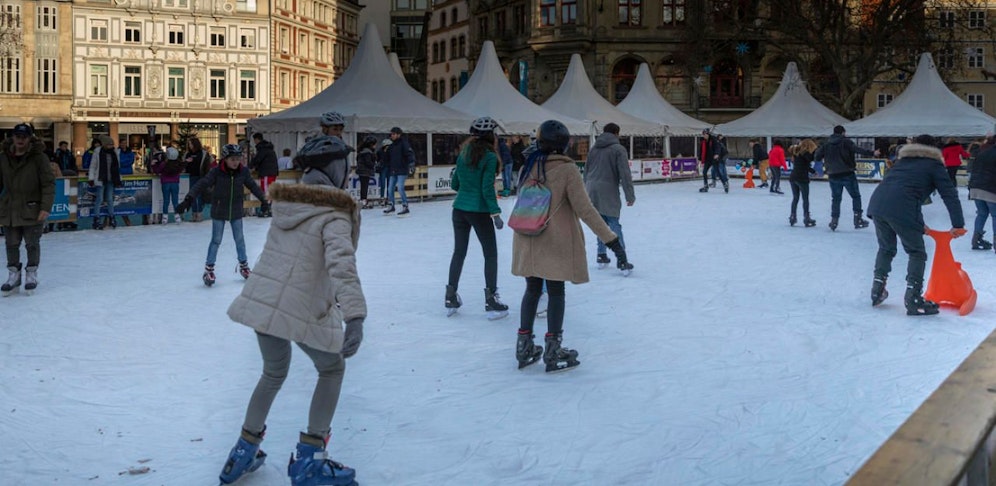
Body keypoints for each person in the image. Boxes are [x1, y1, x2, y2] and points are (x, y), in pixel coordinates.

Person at [221, 169, 366, 486]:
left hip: (264, 299)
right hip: (297, 305)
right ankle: (310, 461)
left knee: (273, 372)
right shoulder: (335, 215)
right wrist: (354, 315)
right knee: (331, 368)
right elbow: (341, 263)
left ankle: (243, 451)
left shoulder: (288, 207)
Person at [512, 120, 631, 373]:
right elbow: (585, 210)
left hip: (527, 237)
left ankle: (524, 345)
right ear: (564, 145)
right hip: (553, 239)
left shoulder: (530, 165)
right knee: (555, 291)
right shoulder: (567, 171)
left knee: (532, 289)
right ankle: (553, 349)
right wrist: (612, 241)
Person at [866, 134, 966, 316]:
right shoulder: (934, 165)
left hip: (878, 205)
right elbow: (949, 194)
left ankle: (877, 290)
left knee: (886, 248)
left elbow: (904, 193)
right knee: (917, 252)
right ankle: (913, 299)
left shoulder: (901, 162)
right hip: (900, 208)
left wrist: (919, 225)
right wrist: (958, 224)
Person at [445, 116, 509, 320]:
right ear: (491, 136)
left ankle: (450, 296)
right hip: (479, 211)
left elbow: (455, 184)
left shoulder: (463, 153)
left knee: (459, 252)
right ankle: (491, 300)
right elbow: (486, 188)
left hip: (459, 209)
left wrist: (466, 190)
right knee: (490, 254)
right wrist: (495, 213)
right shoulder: (490, 157)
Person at [176, 144, 268, 286]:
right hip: (219, 210)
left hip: (236, 210)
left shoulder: (243, 172)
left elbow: (253, 186)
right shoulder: (216, 172)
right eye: (232, 159)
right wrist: (188, 199)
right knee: (216, 240)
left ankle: (244, 266)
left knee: (239, 239)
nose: (235, 162)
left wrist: (263, 199)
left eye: (238, 159)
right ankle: (209, 269)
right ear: (225, 159)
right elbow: (201, 184)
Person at [0, 123, 55, 296]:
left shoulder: (39, 158)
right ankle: (13, 275)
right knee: (11, 243)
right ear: (13, 137)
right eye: (18, 136)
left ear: (30, 138)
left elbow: (48, 183)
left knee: (32, 243)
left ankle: (31, 273)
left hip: (32, 206)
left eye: (24, 137)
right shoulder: (3, 157)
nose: (20, 140)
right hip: (9, 207)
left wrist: (45, 207)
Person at [584, 122, 636, 270]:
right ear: (616, 133)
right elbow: (625, 174)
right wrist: (630, 196)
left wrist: (584, 191)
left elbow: (586, 171)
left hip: (591, 189)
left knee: (600, 223)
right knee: (613, 223)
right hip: (607, 190)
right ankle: (622, 258)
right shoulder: (618, 149)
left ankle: (601, 254)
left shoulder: (593, 149)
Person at [814, 125, 879, 231]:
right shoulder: (846, 142)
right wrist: (872, 153)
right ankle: (857, 219)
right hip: (847, 173)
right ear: (843, 132)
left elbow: (817, 156)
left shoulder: (827, 144)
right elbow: (857, 150)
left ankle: (834, 220)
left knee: (836, 198)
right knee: (856, 196)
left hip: (833, 174)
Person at [294, 111, 353, 190]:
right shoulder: (324, 146)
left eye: (341, 129)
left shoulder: (338, 145)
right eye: (335, 129)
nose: (338, 133)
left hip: (325, 188)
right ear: (325, 129)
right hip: (321, 188)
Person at [967, 134, 996, 252]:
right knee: (995, 215)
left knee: (982, 213)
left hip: (976, 187)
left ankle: (976, 239)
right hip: (990, 188)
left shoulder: (983, 151)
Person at [87, 134, 121, 230]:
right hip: (101, 178)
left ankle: (112, 217)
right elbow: (93, 166)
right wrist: (91, 178)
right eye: (109, 144)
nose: (111, 146)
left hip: (111, 179)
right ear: (104, 144)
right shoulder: (97, 152)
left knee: (110, 199)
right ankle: (96, 218)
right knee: (100, 199)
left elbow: (117, 166)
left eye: (112, 144)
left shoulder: (115, 152)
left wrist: (118, 179)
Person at [383, 126, 416, 216]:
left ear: (398, 134)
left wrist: (411, 163)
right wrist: (383, 152)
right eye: (391, 134)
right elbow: (387, 157)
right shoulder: (391, 145)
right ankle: (391, 205)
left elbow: (409, 153)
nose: (392, 136)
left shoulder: (404, 143)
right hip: (393, 169)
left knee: (400, 188)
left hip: (402, 169)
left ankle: (405, 206)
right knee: (390, 189)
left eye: (393, 134)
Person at [151, 145, 185, 224]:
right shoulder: (178, 164)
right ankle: (177, 216)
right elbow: (182, 168)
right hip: (175, 183)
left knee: (166, 200)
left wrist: (153, 165)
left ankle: (165, 217)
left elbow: (157, 171)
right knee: (175, 200)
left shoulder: (164, 164)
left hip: (165, 183)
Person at [788, 139, 818, 227]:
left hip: (793, 177)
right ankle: (806, 217)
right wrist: (814, 172)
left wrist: (812, 171)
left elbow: (803, 165)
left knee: (795, 198)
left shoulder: (796, 153)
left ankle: (792, 216)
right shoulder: (807, 154)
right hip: (802, 178)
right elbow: (806, 165)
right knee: (805, 199)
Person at [249, 132, 279, 217]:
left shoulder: (262, 149)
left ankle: (266, 209)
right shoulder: (268, 148)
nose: (254, 142)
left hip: (267, 172)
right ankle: (268, 209)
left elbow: (258, 159)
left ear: (257, 139)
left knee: (265, 191)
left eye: (254, 140)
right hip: (272, 172)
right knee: (268, 190)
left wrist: (250, 166)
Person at [183, 137, 210, 222]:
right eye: (189, 144)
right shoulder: (187, 154)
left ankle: (199, 213)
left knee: (199, 195)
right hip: (190, 176)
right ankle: (194, 213)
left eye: (191, 144)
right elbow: (183, 165)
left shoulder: (203, 153)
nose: (190, 146)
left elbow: (207, 166)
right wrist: (186, 162)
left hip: (200, 177)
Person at [698, 129, 728, 193]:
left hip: (714, 159)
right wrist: (700, 159)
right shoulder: (703, 141)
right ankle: (706, 186)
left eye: (705, 134)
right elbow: (701, 150)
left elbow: (718, 147)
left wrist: (717, 154)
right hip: (707, 159)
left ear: (708, 134)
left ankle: (725, 184)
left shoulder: (713, 140)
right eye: (703, 135)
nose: (704, 136)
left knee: (718, 173)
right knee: (704, 172)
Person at [354, 135, 378, 209]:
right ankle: (363, 201)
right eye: (374, 144)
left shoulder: (362, 151)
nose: (375, 146)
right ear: (371, 144)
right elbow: (368, 163)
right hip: (365, 171)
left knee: (364, 186)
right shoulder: (367, 152)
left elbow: (357, 159)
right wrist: (374, 164)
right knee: (364, 187)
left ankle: (363, 201)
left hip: (362, 171)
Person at [377, 139, 392, 206]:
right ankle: (382, 197)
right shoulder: (380, 151)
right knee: (383, 184)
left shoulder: (391, 152)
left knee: (389, 184)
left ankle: (389, 198)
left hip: (389, 168)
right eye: (388, 146)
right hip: (383, 168)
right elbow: (378, 159)